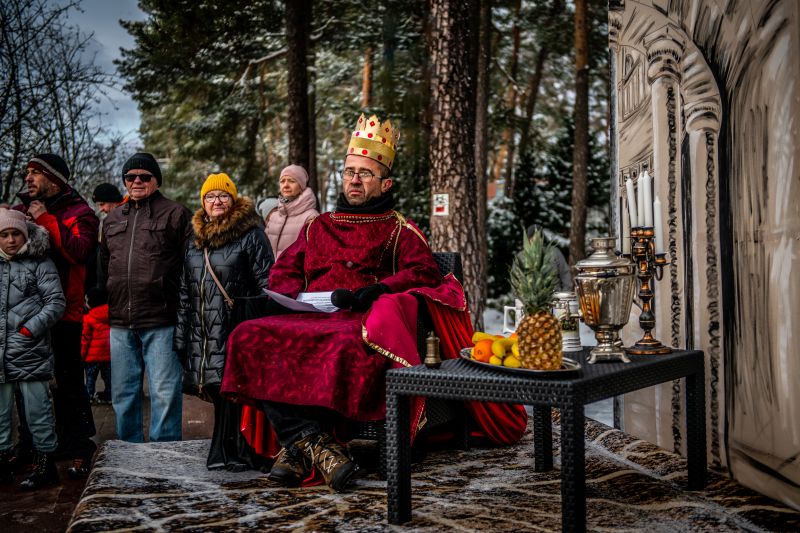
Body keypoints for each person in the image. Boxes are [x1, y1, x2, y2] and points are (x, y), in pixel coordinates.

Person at [221, 114, 448, 492]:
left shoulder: (398, 228)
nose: (354, 180)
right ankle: (317, 445)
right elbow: (284, 271)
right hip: (310, 313)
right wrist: (291, 295)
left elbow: (424, 272)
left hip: (362, 320)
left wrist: (378, 290)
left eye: (365, 173)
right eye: (348, 172)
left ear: (385, 183)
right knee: (247, 334)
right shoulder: (318, 225)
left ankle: (297, 449)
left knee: (341, 344)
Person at [175, 173, 274, 471]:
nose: (216, 201)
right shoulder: (194, 240)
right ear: (202, 202)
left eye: (223, 196)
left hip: (236, 328)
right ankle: (226, 450)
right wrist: (180, 335)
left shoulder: (251, 233)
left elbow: (268, 284)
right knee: (218, 391)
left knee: (234, 391)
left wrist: (261, 328)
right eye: (210, 196)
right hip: (202, 331)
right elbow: (184, 290)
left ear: (233, 200)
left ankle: (237, 452)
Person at [12, 153, 99, 479]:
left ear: (54, 178)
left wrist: (46, 219)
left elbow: (79, 251)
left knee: (68, 382)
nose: (29, 178)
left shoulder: (80, 213)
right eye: (27, 173)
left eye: (35, 173)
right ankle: (30, 447)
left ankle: (80, 446)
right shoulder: (21, 211)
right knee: (27, 381)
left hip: (65, 313)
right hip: (24, 314)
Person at [100, 152, 192, 443]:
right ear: (125, 181)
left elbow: (190, 264)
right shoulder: (112, 219)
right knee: (123, 392)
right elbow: (104, 263)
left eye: (144, 176)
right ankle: (128, 453)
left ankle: (165, 454)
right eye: (130, 177)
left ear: (156, 181)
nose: (137, 181)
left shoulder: (176, 213)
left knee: (164, 391)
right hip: (120, 320)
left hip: (161, 317)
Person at [0, 209, 66, 489]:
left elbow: (56, 302)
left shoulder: (40, 262)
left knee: (38, 411)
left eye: (16, 233)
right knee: (0, 413)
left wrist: (29, 330)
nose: (11, 240)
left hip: (29, 350)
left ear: (25, 234)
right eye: (4, 234)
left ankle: (45, 466)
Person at [264, 165, 319, 259]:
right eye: (282, 181)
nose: (286, 185)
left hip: (296, 273)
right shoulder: (274, 216)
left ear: (301, 186)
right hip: (270, 273)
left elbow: (314, 255)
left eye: (291, 181)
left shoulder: (311, 216)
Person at [81, 287, 112, 404]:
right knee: (108, 378)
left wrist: (81, 356)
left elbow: (85, 339)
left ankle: (89, 395)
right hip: (109, 356)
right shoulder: (111, 315)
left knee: (90, 378)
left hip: (92, 358)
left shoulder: (88, 318)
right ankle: (110, 395)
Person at [525, 224, 573, 291]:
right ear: (528, 240)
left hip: (554, 297)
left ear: (542, 239)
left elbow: (565, 274)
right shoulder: (522, 256)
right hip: (529, 299)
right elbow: (516, 280)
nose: (535, 243)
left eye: (538, 239)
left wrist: (564, 295)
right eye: (532, 239)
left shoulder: (554, 252)